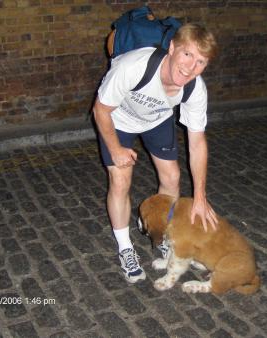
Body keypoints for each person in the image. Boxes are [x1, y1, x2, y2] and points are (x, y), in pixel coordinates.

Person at [92, 23, 219, 283]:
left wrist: (199, 196)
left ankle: (162, 233)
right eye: (187, 55)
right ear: (171, 48)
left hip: (156, 119)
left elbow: (197, 143)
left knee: (172, 177)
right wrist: (116, 149)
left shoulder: (195, 89)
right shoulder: (133, 67)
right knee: (121, 179)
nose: (191, 67)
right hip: (117, 119)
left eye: (201, 62)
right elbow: (100, 110)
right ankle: (125, 246)